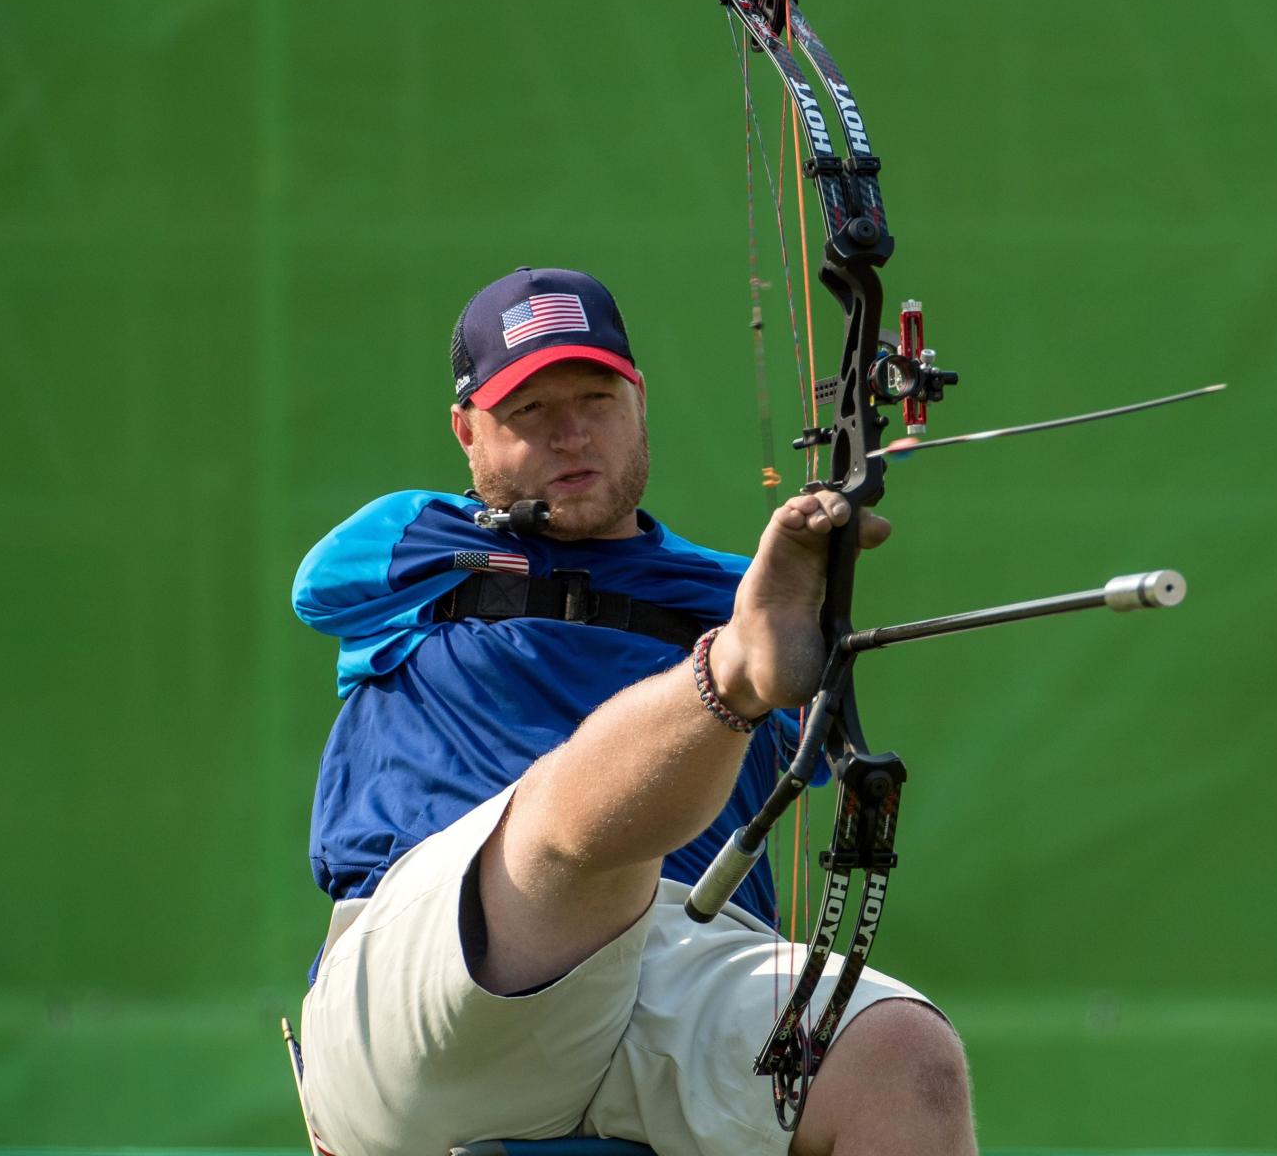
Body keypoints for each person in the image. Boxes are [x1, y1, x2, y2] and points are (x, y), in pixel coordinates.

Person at [293, 267, 976, 1156]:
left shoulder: (744, 587)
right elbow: (316, 588)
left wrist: (789, 583)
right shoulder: (414, 547)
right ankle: (725, 679)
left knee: (905, 1058)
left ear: (638, 403)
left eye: (595, 398)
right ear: (467, 431)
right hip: (436, 965)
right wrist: (734, 651)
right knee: (558, 837)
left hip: (680, 953)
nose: (572, 433)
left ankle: (728, 682)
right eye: (528, 412)